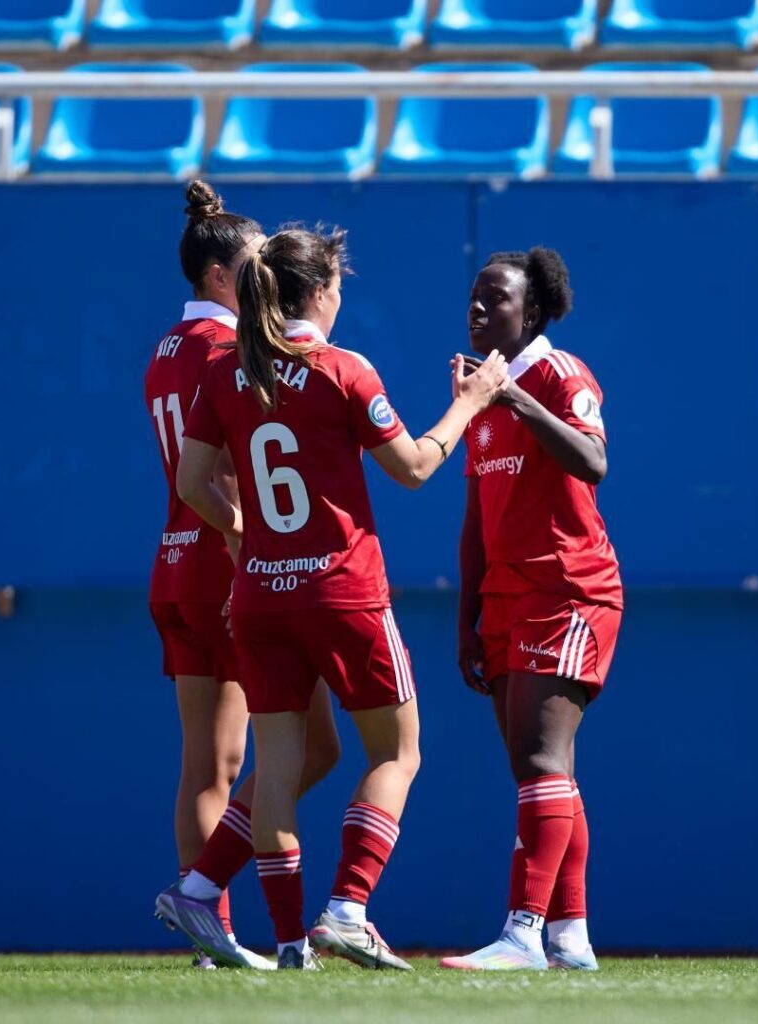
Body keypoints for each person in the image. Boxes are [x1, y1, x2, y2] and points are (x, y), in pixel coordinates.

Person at [169, 225, 508, 970]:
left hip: (260, 594)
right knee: (396, 751)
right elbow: (415, 467)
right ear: (320, 292)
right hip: (341, 591)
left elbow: (193, 484)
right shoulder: (340, 368)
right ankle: (348, 907)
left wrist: (247, 530)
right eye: (338, 289)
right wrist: (472, 403)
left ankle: (289, 942)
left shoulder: (225, 369)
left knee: (279, 767)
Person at [146, 183, 341, 969]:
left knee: (207, 762)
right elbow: (222, 470)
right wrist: (242, 540)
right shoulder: (228, 355)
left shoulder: (165, 347)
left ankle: (208, 924)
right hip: (226, 563)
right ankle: (217, 915)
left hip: (170, 560)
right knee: (303, 749)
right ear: (225, 275)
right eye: (256, 263)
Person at [440, 249, 622, 973]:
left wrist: (513, 398)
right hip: (505, 602)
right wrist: (466, 618)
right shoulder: (479, 398)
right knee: (539, 772)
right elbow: (475, 518)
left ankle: (521, 933)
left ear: (534, 312)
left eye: (496, 298)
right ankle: (569, 937)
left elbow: (592, 461)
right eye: (473, 297)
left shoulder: (559, 374)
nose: (478, 308)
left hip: (569, 591)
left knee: (542, 760)